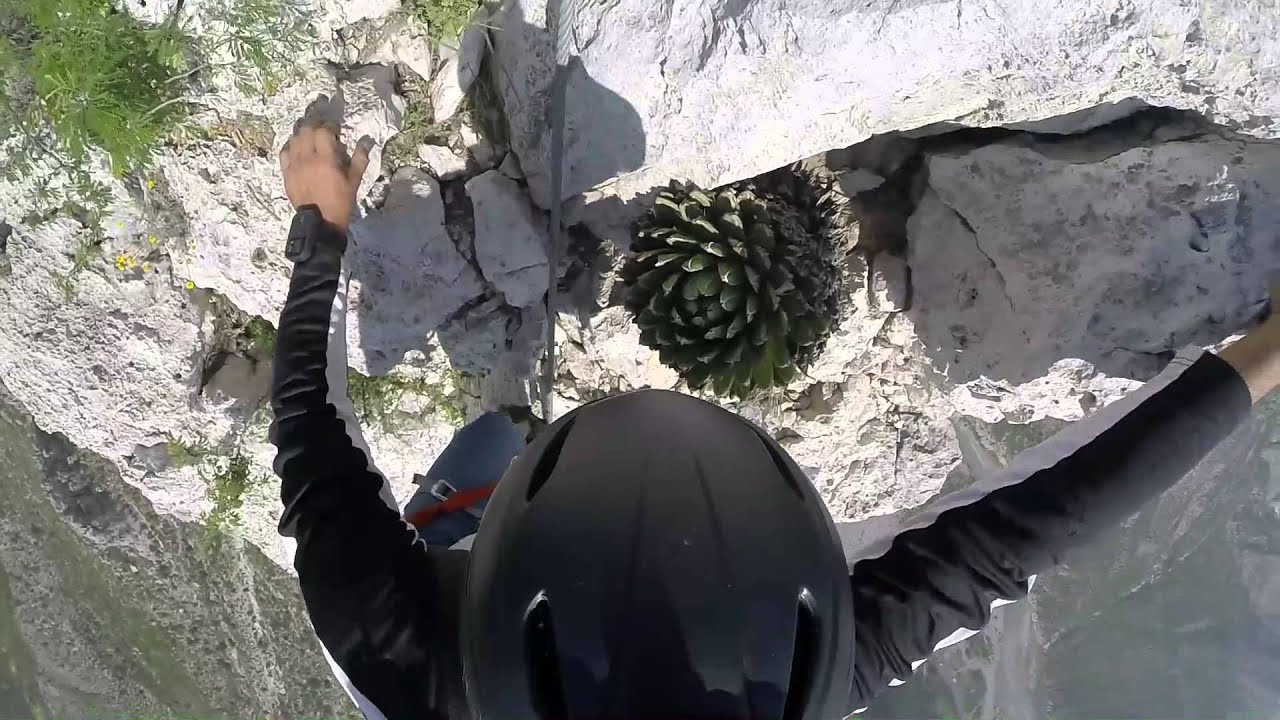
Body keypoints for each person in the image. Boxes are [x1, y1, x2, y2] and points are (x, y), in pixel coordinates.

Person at [271, 117, 1280, 720]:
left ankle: (475, 495)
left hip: (444, 600)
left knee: (484, 449)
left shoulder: (382, 633)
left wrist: (319, 234)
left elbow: (312, 425)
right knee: (498, 443)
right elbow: (1042, 517)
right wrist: (1262, 357)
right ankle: (506, 469)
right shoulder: (808, 659)